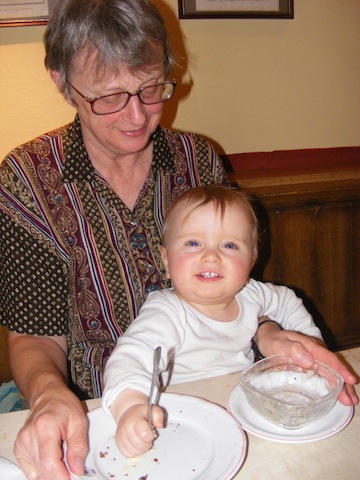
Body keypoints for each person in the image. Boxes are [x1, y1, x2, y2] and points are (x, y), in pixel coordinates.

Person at [0, 1, 357, 479]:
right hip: (94, 408)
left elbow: (236, 284)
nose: (137, 115)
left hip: (219, 389)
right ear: (62, 82)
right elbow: (34, 334)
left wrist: (268, 331)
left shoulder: (199, 160)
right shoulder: (26, 180)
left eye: (152, 89)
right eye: (109, 97)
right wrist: (49, 393)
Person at [101, 185, 329, 457]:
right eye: (193, 243)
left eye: (230, 245)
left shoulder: (251, 294)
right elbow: (129, 359)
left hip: (244, 408)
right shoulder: (167, 311)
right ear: (166, 259)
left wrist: (311, 349)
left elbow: (287, 302)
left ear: (251, 260)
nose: (211, 256)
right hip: (184, 420)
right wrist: (130, 406)